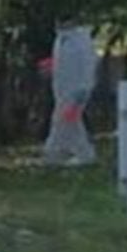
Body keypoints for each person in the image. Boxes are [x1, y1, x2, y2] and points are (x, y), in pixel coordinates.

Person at [42, 18, 100, 167]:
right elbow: (63, 62)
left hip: (76, 90)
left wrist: (83, 91)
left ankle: (52, 154)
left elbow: (88, 68)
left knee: (63, 120)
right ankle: (84, 154)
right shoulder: (60, 39)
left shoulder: (81, 42)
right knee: (70, 122)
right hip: (62, 89)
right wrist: (51, 66)